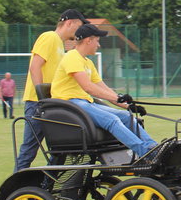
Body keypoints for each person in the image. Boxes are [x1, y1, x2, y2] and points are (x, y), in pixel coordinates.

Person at [50, 23, 157, 159]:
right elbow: (88, 87)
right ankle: (146, 153)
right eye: (97, 41)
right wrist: (119, 99)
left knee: (126, 116)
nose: (98, 45)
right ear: (89, 40)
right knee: (111, 120)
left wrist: (128, 106)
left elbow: (104, 89)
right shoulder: (72, 57)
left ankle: (153, 147)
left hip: (84, 103)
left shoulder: (87, 63)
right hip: (69, 105)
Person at [15, 9, 88, 171]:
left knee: (60, 149)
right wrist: (42, 100)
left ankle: (45, 186)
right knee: (29, 150)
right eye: (79, 26)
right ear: (70, 23)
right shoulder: (49, 37)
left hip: (51, 105)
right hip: (38, 103)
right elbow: (35, 67)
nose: (80, 31)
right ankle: (14, 189)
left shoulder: (60, 45)